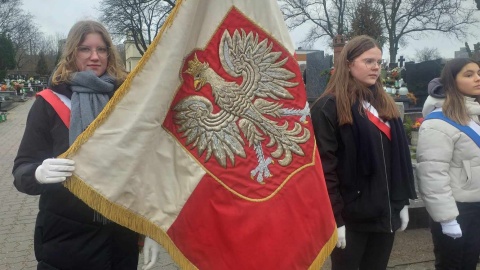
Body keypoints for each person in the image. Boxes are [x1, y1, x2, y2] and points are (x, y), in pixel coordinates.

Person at [12, 20, 161, 270]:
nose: (94, 57)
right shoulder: (49, 104)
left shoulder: (125, 100)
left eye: (101, 49)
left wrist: (151, 227)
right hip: (66, 239)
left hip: (120, 237)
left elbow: (142, 168)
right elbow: (21, 171)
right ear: (72, 53)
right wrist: (37, 173)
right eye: (85, 49)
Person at [310, 35, 417, 270]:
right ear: (348, 64)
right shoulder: (328, 107)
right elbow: (325, 168)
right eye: (368, 61)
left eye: (379, 62)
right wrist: (335, 220)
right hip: (351, 217)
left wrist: (402, 202)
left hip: (385, 212)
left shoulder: (384, 104)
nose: (376, 67)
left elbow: (397, 159)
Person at [417, 58, 480, 270]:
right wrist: (447, 219)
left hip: (476, 205)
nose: (477, 78)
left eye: (478, 73)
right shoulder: (437, 122)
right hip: (456, 209)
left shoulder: (474, 115)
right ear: (452, 81)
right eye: (468, 74)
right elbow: (433, 174)